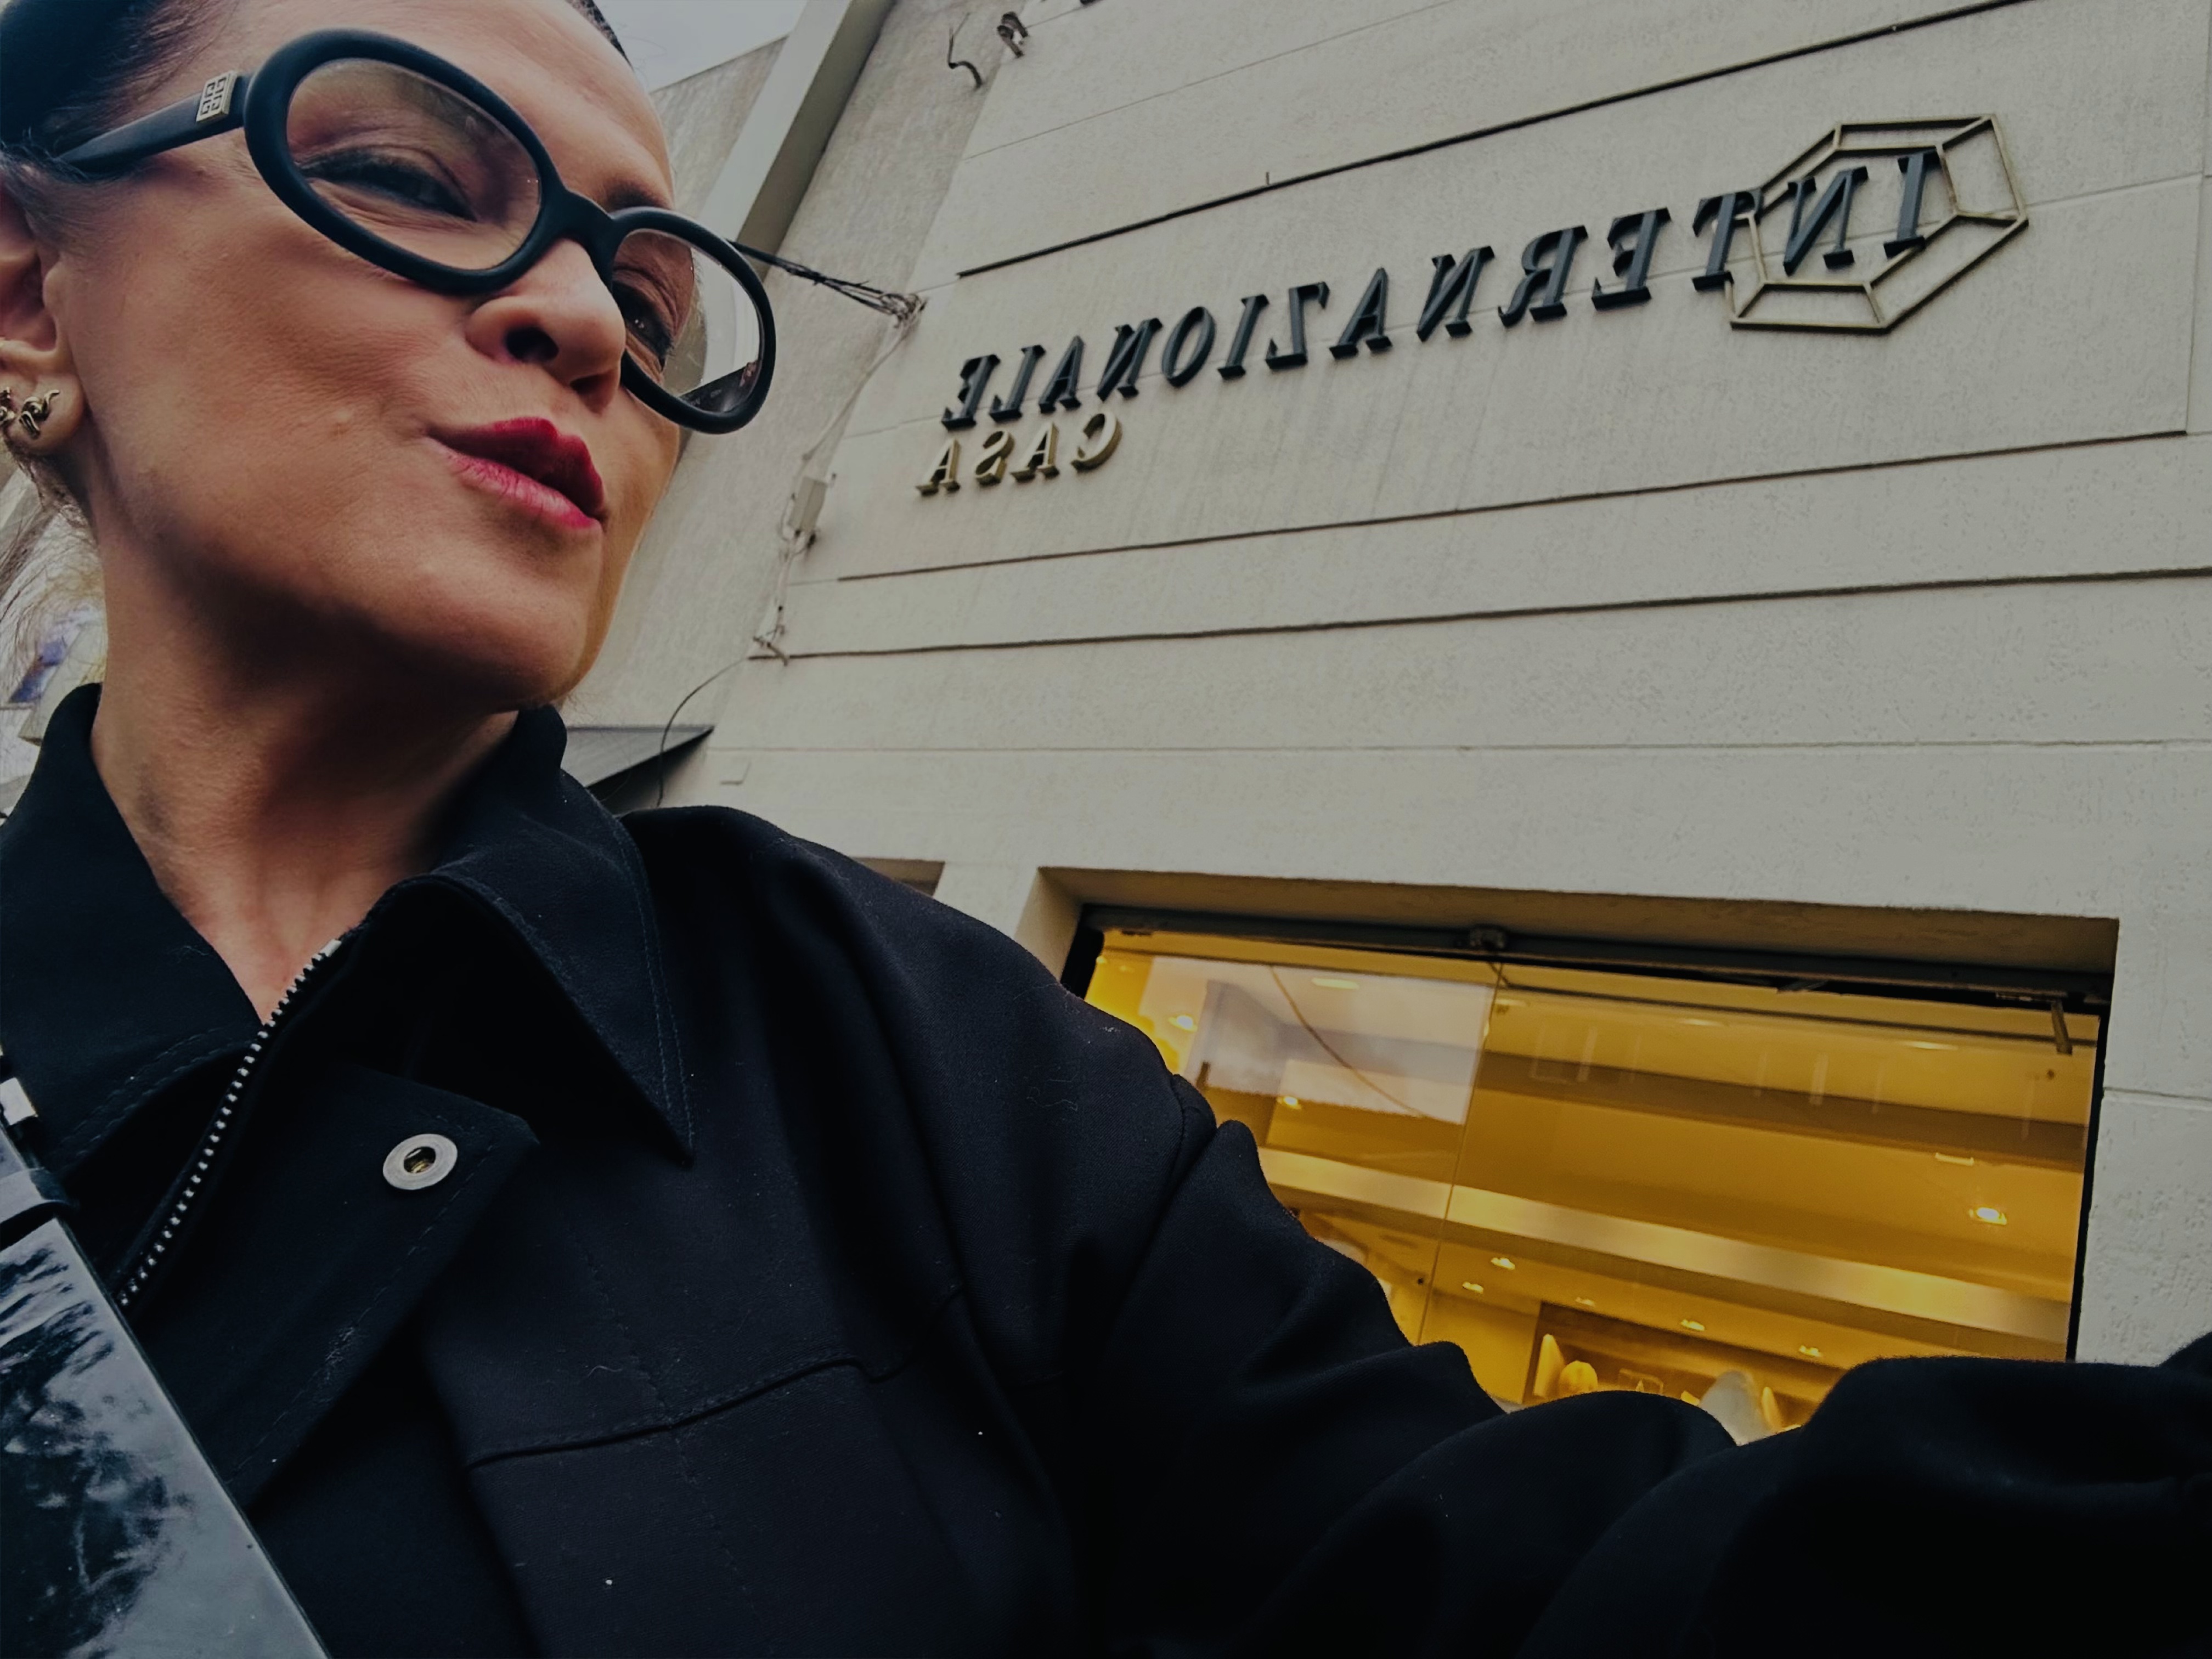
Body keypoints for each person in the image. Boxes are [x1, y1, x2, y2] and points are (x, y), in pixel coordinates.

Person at [0, 0, 2203, 1654]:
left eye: (654, 299)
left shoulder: (918, 1056)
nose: (583, 319)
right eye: (408, 172)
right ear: (32, 295)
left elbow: (1512, 1588)